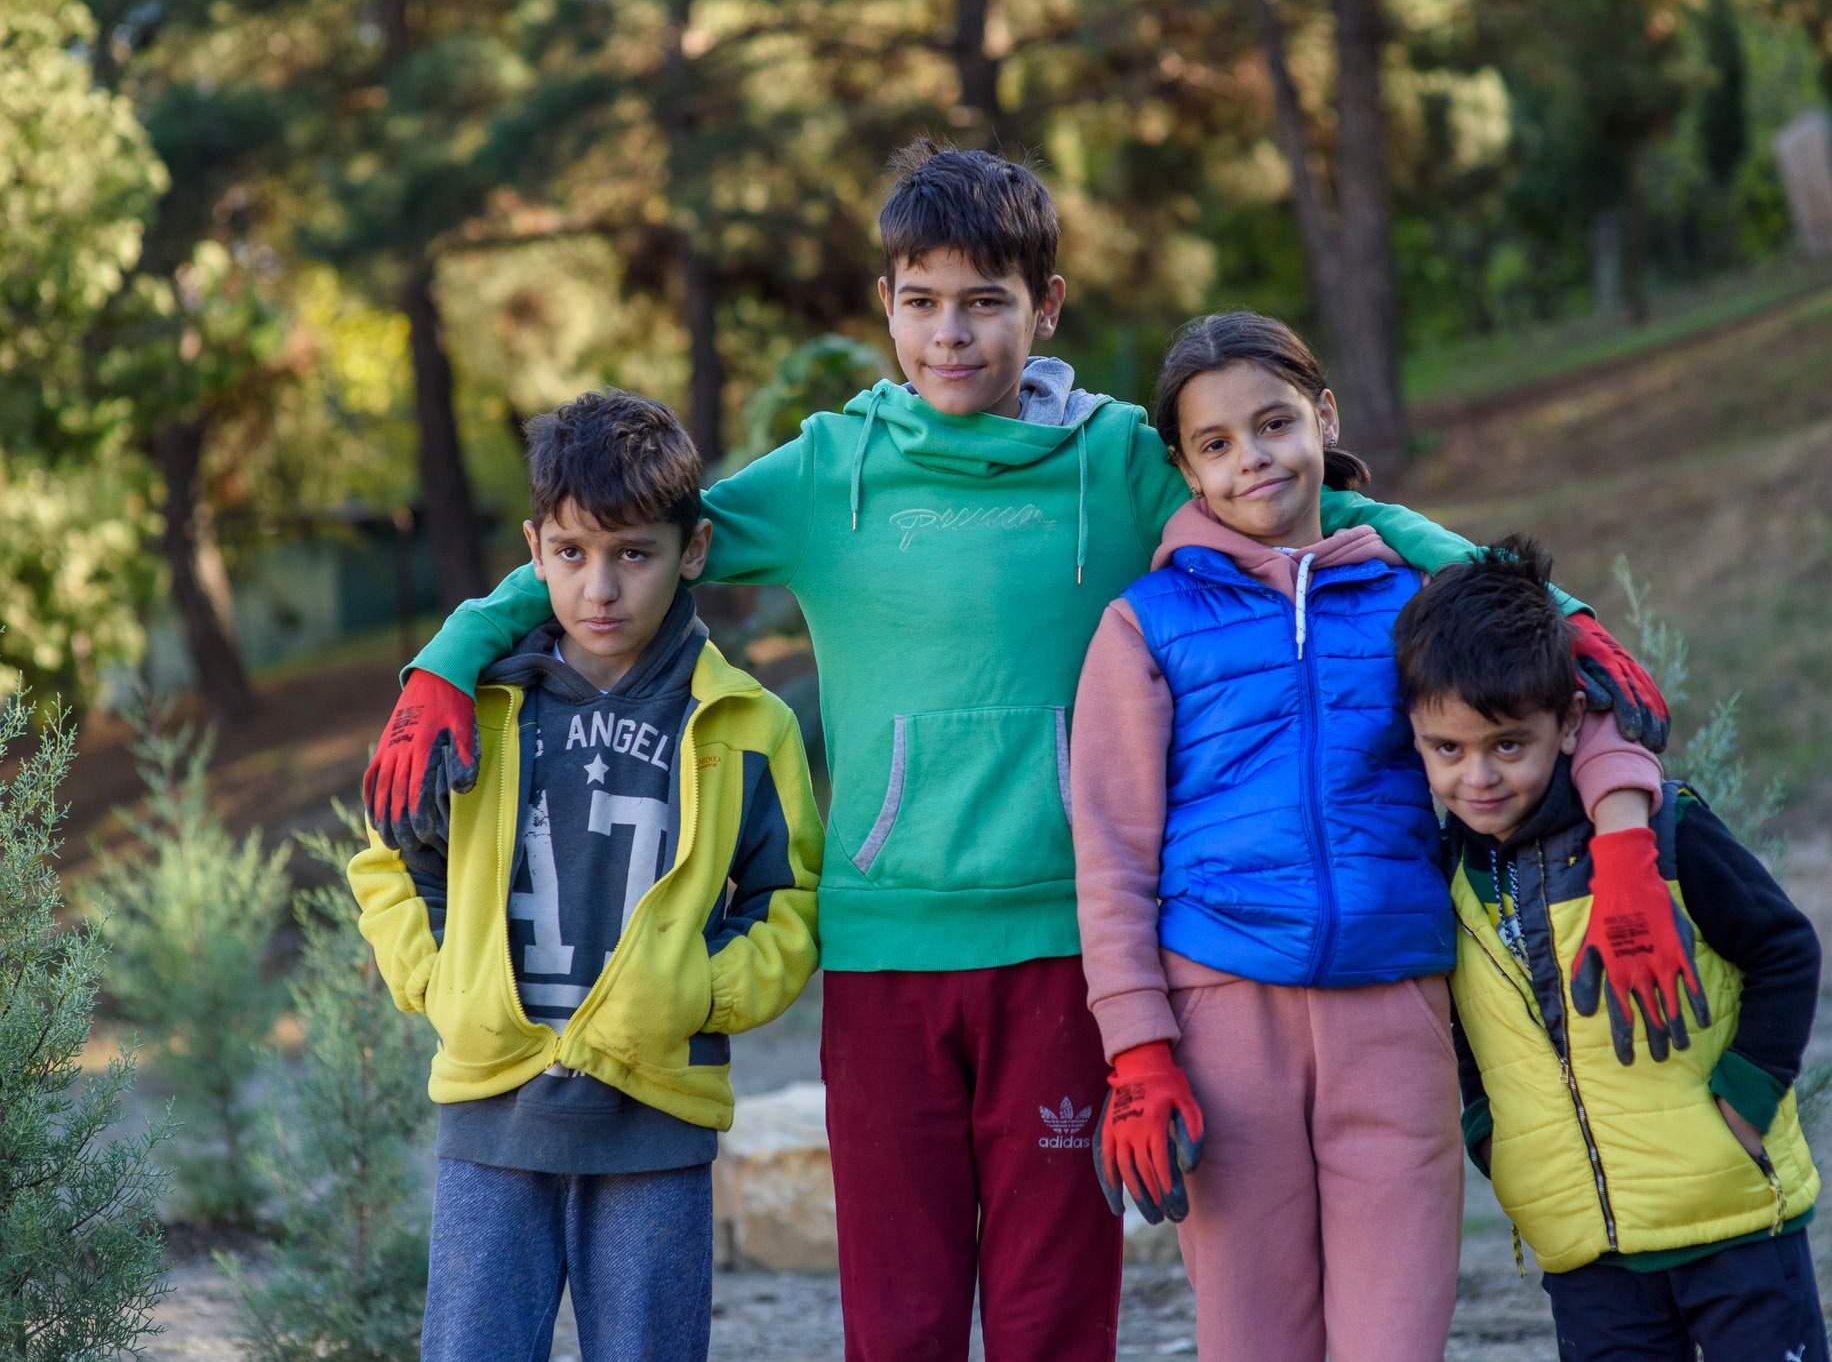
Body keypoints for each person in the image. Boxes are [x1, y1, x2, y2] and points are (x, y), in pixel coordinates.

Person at [358, 143, 1669, 1360]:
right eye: (922, 301)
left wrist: (1541, 604)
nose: (951, 333)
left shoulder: (1120, 463)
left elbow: (1329, 513)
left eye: (984, 301)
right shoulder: (829, 471)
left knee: (1053, 1311)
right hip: (883, 951)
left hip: (1063, 954)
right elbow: (618, 535)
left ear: (1045, 306)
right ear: (884, 305)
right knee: (903, 1311)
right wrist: (448, 661)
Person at [1070, 313, 1666, 1361]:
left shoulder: (1415, 597)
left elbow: (1576, 705)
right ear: (1184, 466)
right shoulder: (1143, 624)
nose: (1252, 458)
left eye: (1273, 424)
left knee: (1395, 1337)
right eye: (1215, 443)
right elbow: (1111, 857)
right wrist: (1138, 1050)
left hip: (1397, 1010)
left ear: (1324, 417)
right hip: (1221, 1017)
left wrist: (1624, 849)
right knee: (1253, 1341)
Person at [348, 389, 822, 1362]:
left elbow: (789, 902)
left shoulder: (748, 725)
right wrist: (441, 983)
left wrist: (699, 992)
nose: (599, 588)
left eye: (633, 554)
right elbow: (393, 860)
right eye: (570, 553)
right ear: (534, 550)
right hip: (492, 1117)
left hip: (656, 1121)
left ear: (692, 549)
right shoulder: (475, 710)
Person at [1395, 535, 1828, 1362]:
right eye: (1447, 750)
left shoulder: (1666, 830)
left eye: (1507, 745)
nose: (1477, 778)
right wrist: (1493, 1137)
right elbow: (1465, 1033)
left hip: (1731, 1222)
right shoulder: (1447, 876)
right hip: (1585, 1256)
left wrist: (1747, 1099)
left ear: (1568, 722)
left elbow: (1784, 950)